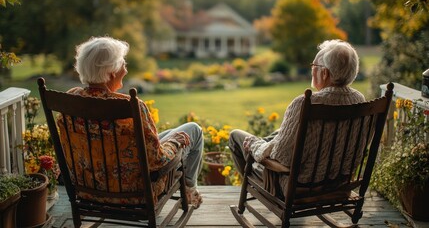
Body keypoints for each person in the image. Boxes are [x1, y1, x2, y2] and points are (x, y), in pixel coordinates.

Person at [59, 36, 203, 208]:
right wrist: (175, 141)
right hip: (134, 192)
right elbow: (157, 161)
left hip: (87, 189)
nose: (126, 71)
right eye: (123, 65)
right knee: (193, 130)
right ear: (112, 72)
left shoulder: (70, 100)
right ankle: (190, 189)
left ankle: (189, 188)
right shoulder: (132, 106)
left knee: (171, 133)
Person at [229, 39, 366, 192]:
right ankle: (266, 143)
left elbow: (281, 157)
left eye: (314, 66)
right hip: (338, 184)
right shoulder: (360, 101)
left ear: (325, 73)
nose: (312, 70)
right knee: (279, 134)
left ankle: (253, 188)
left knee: (236, 136)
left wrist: (255, 145)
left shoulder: (304, 104)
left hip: (297, 186)